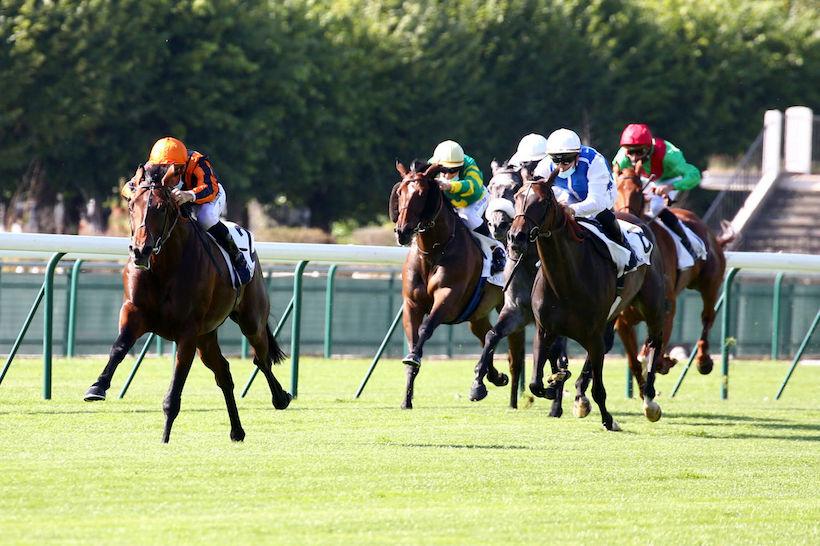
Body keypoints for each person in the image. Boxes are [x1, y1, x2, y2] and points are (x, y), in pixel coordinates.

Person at [126, 137, 252, 284]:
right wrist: (135, 195)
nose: (166, 175)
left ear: (182, 166)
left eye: (173, 170)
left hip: (208, 197)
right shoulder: (150, 168)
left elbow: (210, 188)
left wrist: (189, 195)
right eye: (162, 169)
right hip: (177, 199)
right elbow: (127, 188)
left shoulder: (198, 162)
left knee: (206, 218)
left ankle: (237, 257)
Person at [533, 128, 637, 269]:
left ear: (577, 155)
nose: (561, 166)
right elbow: (537, 192)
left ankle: (625, 247)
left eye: (566, 160)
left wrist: (573, 209)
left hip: (602, 196)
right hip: (568, 194)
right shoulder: (544, 165)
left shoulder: (594, 161)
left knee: (601, 215)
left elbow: (596, 202)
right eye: (556, 160)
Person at [613, 123, 702, 261]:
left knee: (656, 207)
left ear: (649, 149)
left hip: (670, 179)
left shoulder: (669, 155)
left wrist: (670, 187)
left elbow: (694, 175)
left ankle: (690, 242)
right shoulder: (622, 158)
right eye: (630, 152)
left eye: (639, 152)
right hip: (645, 178)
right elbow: (615, 181)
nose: (634, 157)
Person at [429, 140, 505, 274]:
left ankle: (496, 246)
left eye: (453, 170)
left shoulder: (469, 164)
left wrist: (450, 186)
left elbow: (474, 187)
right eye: (443, 170)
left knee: (467, 216)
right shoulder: (432, 166)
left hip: (477, 198)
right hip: (454, 203)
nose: (447, 174)